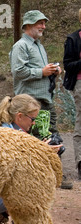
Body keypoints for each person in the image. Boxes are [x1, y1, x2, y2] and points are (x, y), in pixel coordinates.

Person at [0, 94, 63, 224]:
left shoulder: (4, 129)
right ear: (19, 116)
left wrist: (39, 148)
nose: (34, 122)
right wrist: (43, 153)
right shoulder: (11, 136)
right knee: (36, 185)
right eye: (32, 119)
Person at [10, 10, 73, 189]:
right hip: (30, 100)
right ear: (29, 24)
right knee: (34, 139)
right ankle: (36, 177)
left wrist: (52, 71)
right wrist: (42, 72)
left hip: (44, 98)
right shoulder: (21, 46)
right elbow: (18, 71)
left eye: (44, 23)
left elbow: (40, 70)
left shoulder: (38, 46)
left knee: (50, 135)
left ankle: (55, 175)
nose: (43, 26)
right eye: (40, 23)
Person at [63, 8, 81, 180]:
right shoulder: (73, 39)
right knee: (80, 125)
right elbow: (68, 64)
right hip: (80, 84)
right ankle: (80, 163)